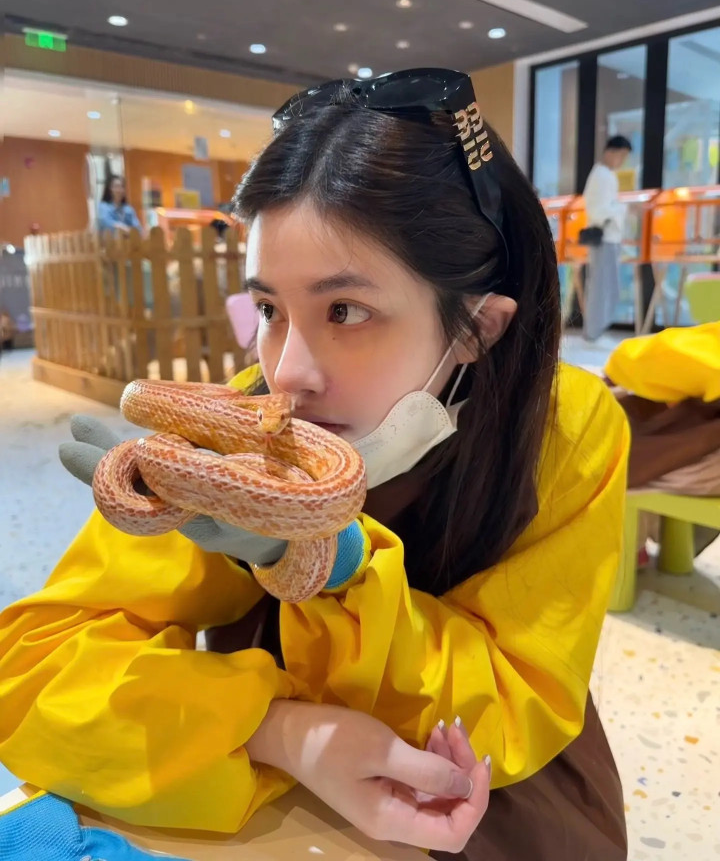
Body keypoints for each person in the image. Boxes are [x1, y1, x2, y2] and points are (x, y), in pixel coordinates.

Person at [0, 70, 630, 859]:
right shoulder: (237, 426)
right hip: (258, 790)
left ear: (479, 327)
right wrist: (279, 732)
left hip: (488, 793)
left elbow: (512, 702)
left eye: (345, 311)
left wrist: (335, 563)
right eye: (269, 310)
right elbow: (32, 670)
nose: (287, 373)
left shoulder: (565, 430)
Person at [582, 135, 633, 341]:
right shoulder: (602, 176)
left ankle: (596, 331)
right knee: (601, 287)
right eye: (621, 156)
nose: (622, 161)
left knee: (605, 286)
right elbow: (598, 211)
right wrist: (624, 208)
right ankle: (594, 333)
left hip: (609, 238)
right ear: (610, 152)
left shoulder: (604, 175)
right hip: (605, 238)